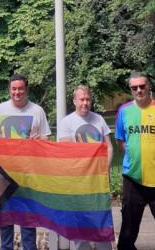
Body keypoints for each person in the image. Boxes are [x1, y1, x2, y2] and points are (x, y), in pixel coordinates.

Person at [0, 74, 51, 250]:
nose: (17, 92)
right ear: (9, 90)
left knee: (28, 221)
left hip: (28, 176)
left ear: (26, 89)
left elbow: (46, 138)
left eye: (20, 88)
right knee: (5, 222)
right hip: (3, 175)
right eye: (14, 89)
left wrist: (41, 139)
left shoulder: (37, 111)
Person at [115, 72, 155, 250]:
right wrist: (135, 155)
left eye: (142, 86)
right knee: (127, 231)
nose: (138, 90)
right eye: (134, 87)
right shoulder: (124, 111)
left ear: (148, 86)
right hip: (133, 179)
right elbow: (120, 140)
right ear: (131, 89)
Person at [57, 85, 114, 250]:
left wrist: (105, 170)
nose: (85, 103)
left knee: (101, 224)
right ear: (75, 101)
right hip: (78, 184)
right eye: (81, 99)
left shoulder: (99, 120)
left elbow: (108, 147)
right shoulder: (67, 122)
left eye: (88, 99)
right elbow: (68, 152)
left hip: (98, 182)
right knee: (80, 228)